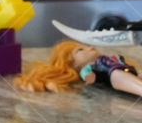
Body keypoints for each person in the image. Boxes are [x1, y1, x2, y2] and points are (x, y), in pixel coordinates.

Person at [14, 40, 142, 97]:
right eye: (80, 50)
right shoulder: (92, 68)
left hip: (127, 71)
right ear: (70, 64)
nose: (90, 48)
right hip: (112, 74)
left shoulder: (105, 60)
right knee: (116, 74)